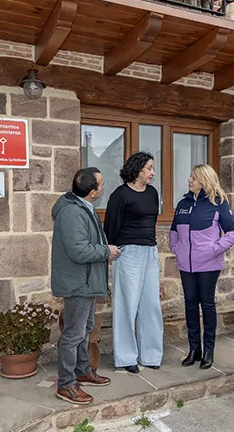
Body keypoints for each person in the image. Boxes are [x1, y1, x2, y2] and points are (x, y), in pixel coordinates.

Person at [51, 167, 120, 405]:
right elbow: (78, 251)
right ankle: (66, 384)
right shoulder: (72, 213)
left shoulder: (82, 207)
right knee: (73, 334)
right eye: (101, 185)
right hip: (78, 283)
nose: (103, 187)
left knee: (85, 328)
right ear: (92, 192)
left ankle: (82, 371)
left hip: (86, 281)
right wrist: (106, 251)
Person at [169, 164, 234, 369]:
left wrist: (215, 249)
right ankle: (194, 350)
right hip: (186, 265)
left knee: (207, 305)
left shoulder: (218, 203)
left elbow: (233, 231)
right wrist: (176, 248)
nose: (189, 180)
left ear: (203, 180)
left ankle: (209, 351)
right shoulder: (183, 203)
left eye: (193, 177)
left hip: (209, 265)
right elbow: (173, 231)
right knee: (190, 305)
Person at [104, 152, 163, 374]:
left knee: (151, 304)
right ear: (137, 170)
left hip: (150, 251)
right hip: (128, 253)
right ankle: (126, 357)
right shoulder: (120, 194)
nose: (152, 172)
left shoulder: (152, 193)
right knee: (127, 305)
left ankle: (151, 354)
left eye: (153, 168)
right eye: (149, 168)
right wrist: (113, 249)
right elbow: (110, 226)